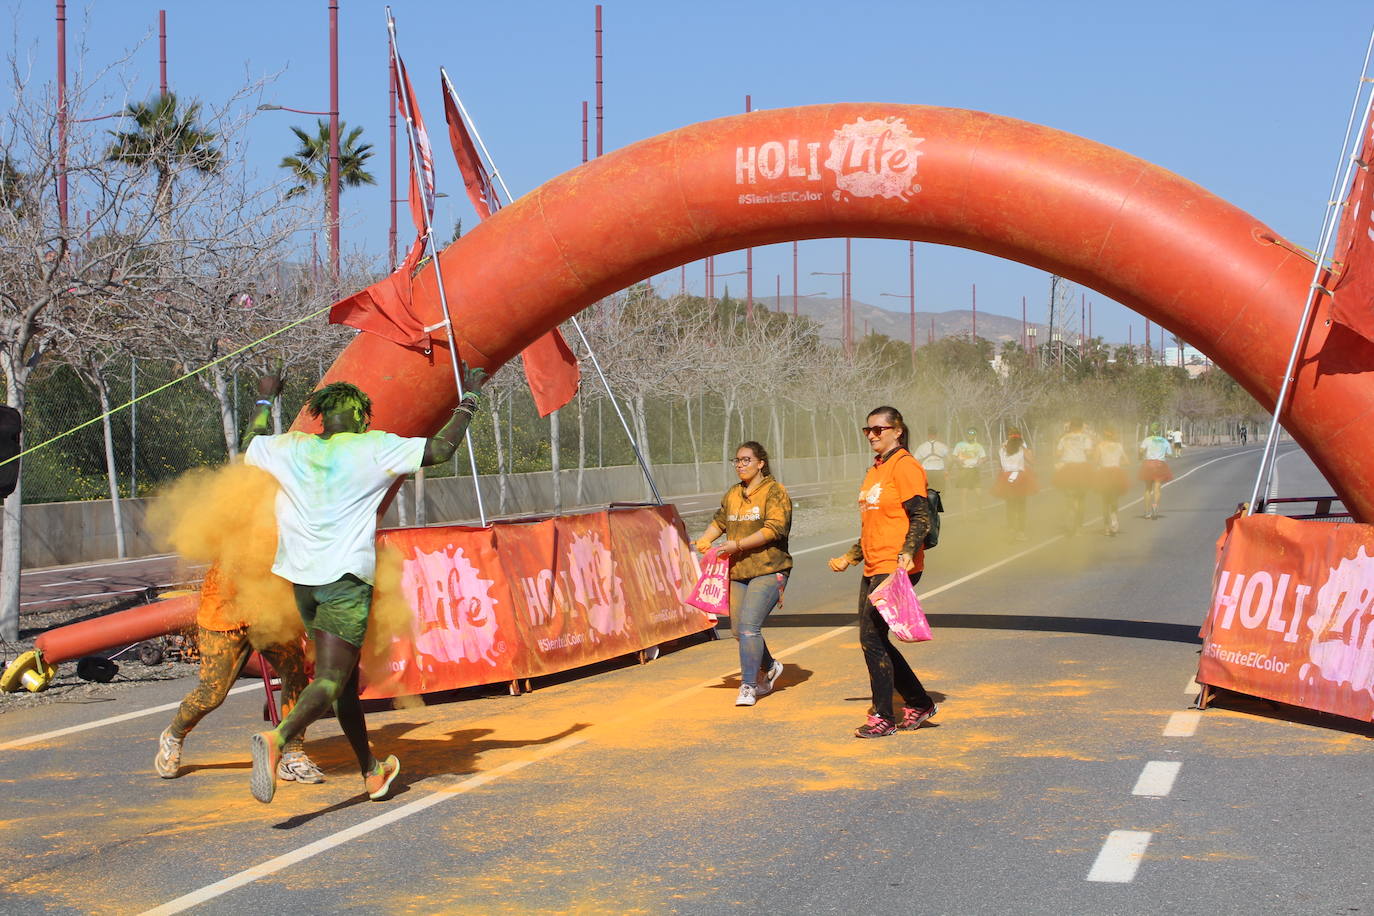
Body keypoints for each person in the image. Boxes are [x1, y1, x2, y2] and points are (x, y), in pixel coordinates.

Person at [242, 369, 486, 804]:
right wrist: (468, 399)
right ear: (359, 416)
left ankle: (370, 771)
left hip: (303, 583)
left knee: (345, 683)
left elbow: (251, 443)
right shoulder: (374, 447)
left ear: (320, 417)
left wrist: (265, 399)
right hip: (346, 581)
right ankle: (279, 738)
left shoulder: (291, 447)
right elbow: (442, 449)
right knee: (332, 681)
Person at [154, 566, 323, 783]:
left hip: (268, 607)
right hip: (223, 612)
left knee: (295, 673)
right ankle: (174, 735)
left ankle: (293, 754)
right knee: (212, 694)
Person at [828, 406, 937, 739]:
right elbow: (873, 523)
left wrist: (906, 554)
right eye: (868, 430)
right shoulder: (875, 470)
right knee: (873, 638)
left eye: (879, 429)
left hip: (895, 565)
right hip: (874, 563)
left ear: (897, 431)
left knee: (871, 637)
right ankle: (918, 702)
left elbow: (920, 517)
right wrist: (851, 556)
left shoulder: (905, 467)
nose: (872, 435)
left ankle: (884, 716)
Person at [694, 441, 792, 707]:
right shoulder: (733, 493)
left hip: (769, 568)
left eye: (746, 460)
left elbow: (774, 529)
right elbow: (720, 521)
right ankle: (770, 665)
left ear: (761, 463)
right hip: (739, 569)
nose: (740, 465)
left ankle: (748, 684)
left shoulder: (775, 492)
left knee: (749, 628)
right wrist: (704, 540)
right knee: (739, 630)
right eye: (737, 460)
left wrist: (736, 545)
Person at [992, 427, 1036, 541]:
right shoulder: (1021, 447)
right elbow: (1031, 461)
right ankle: (1020, 533)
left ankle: (1011, 529)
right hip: (1019, 476)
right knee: (1021, 506)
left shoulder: (1002, 447)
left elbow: (1001, 465)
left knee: (1010, 505)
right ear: (1019, 436)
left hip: (1006, 477)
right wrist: (1027, 451)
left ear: (1008, 436)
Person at [1054, 418, 1095, 534]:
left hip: (1067, 468)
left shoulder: (1064, 438)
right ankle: (1077, 517)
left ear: (1071, 427)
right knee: (1081, 496)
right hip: (1081, 468)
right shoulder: (1086, 438)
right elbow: (1089, 453)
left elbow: (1057, 453)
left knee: (1069, 495)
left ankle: (1071, 512)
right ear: (1082, 427)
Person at [1095, 427, 1130, 536]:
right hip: (1115, 473)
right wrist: (1116, 463)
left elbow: (1095, 461)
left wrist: (1103, 464)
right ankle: (1113, 520)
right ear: (1113, 434)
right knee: (1114, 500)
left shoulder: (1100, 446)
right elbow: (1127, 461)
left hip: (1104, 474)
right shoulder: (1118, 445)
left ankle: (1106, 527)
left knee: (1105, 502)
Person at [1138, 423, 1174, 520]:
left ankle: (1147, 512)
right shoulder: (1164, 441)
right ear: (1159, 430)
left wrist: (1140, 456)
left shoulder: (1147, 440)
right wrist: (1163, 454)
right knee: (1157, 488)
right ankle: (1155, 506)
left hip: (1149, 464)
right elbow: (1170, 454)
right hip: (1160, 465)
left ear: (1151, 430)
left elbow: (1141, 451)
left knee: (1148, 489)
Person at [950, 427, 987, 512]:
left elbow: (984, 458)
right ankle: (964, 517)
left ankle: (979, 512)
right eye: (969, 434)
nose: (971, 435)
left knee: (979, 494)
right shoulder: (959, 445)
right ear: (966, 434)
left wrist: (981, 461)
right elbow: (953, 456)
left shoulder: (979, 446)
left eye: (973, 434)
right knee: (964, 495)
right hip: (964, 471)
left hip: (974, 471)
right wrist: (958, 461)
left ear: (975, 435)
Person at [911, 426, 950, 494]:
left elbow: (914, 460)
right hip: (939, 472)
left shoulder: (922, 446)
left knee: (927, 493)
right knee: (939, 493)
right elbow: (949, 459)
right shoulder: (942, 446)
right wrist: (947, 470)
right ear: (936, 434)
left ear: (928, 434)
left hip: (927, 472)